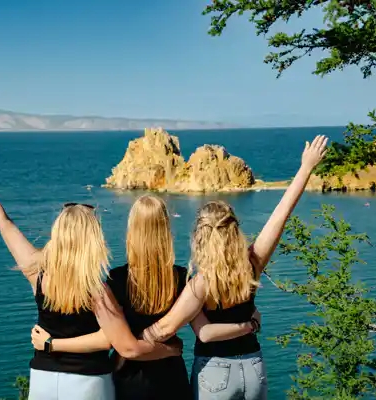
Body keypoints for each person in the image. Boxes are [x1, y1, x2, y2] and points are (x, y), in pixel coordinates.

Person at [0, 144, 177, 400]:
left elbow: (3, 223)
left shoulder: (37, 273)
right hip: (89, 382)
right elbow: (114, 343)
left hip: (43, 379)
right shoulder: (97, 290)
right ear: (93, 240)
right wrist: (169, 349)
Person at [141, 135, 329, 400]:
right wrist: (306, 168)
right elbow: (280, 215)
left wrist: (126, 342)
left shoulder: (200, 284)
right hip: (254, 366)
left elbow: (168, 329)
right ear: (235, 231)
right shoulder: (252, 264)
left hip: (215, 372)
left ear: (199, 236)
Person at [32, 195, 260, 400]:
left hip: (129, 381)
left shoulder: (115, 279)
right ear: (166, 231)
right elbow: (202, 329)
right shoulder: (182, 278)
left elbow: (118, 343)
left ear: (131, 232)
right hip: (172, 379)